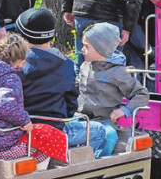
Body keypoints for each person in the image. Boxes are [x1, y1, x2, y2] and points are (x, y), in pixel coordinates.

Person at [13, 8, 106, 155]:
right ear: (52, 35)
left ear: (21, 36)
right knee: (99, 130)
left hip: (22, 130)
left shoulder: (16, 63)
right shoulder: (66, 64)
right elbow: (71, 102)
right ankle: (72, 163)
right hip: (54, 132)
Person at [78, 22, 150, 158]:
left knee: (110, 136)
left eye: (87, 46)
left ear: (102, 49)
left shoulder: (118, 72)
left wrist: (125, 110)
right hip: (81, 117)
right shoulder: (84, 66)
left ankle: (98, 162)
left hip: (104, 120)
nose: (82, 49)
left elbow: (141, 94)